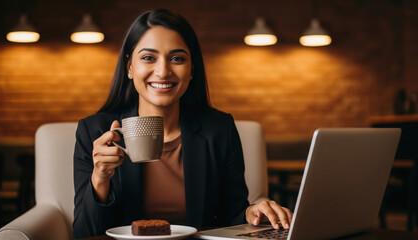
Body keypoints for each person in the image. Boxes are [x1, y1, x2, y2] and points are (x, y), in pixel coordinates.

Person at [73, 9, 292, 238]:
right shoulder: (94, 131)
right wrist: (100, 178)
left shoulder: (219, 129)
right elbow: (83, 234)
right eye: (148, 58)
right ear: (129, 67)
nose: (163, 71)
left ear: (192, 69)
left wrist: (253, 213)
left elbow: (233, 214)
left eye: (177, 58)